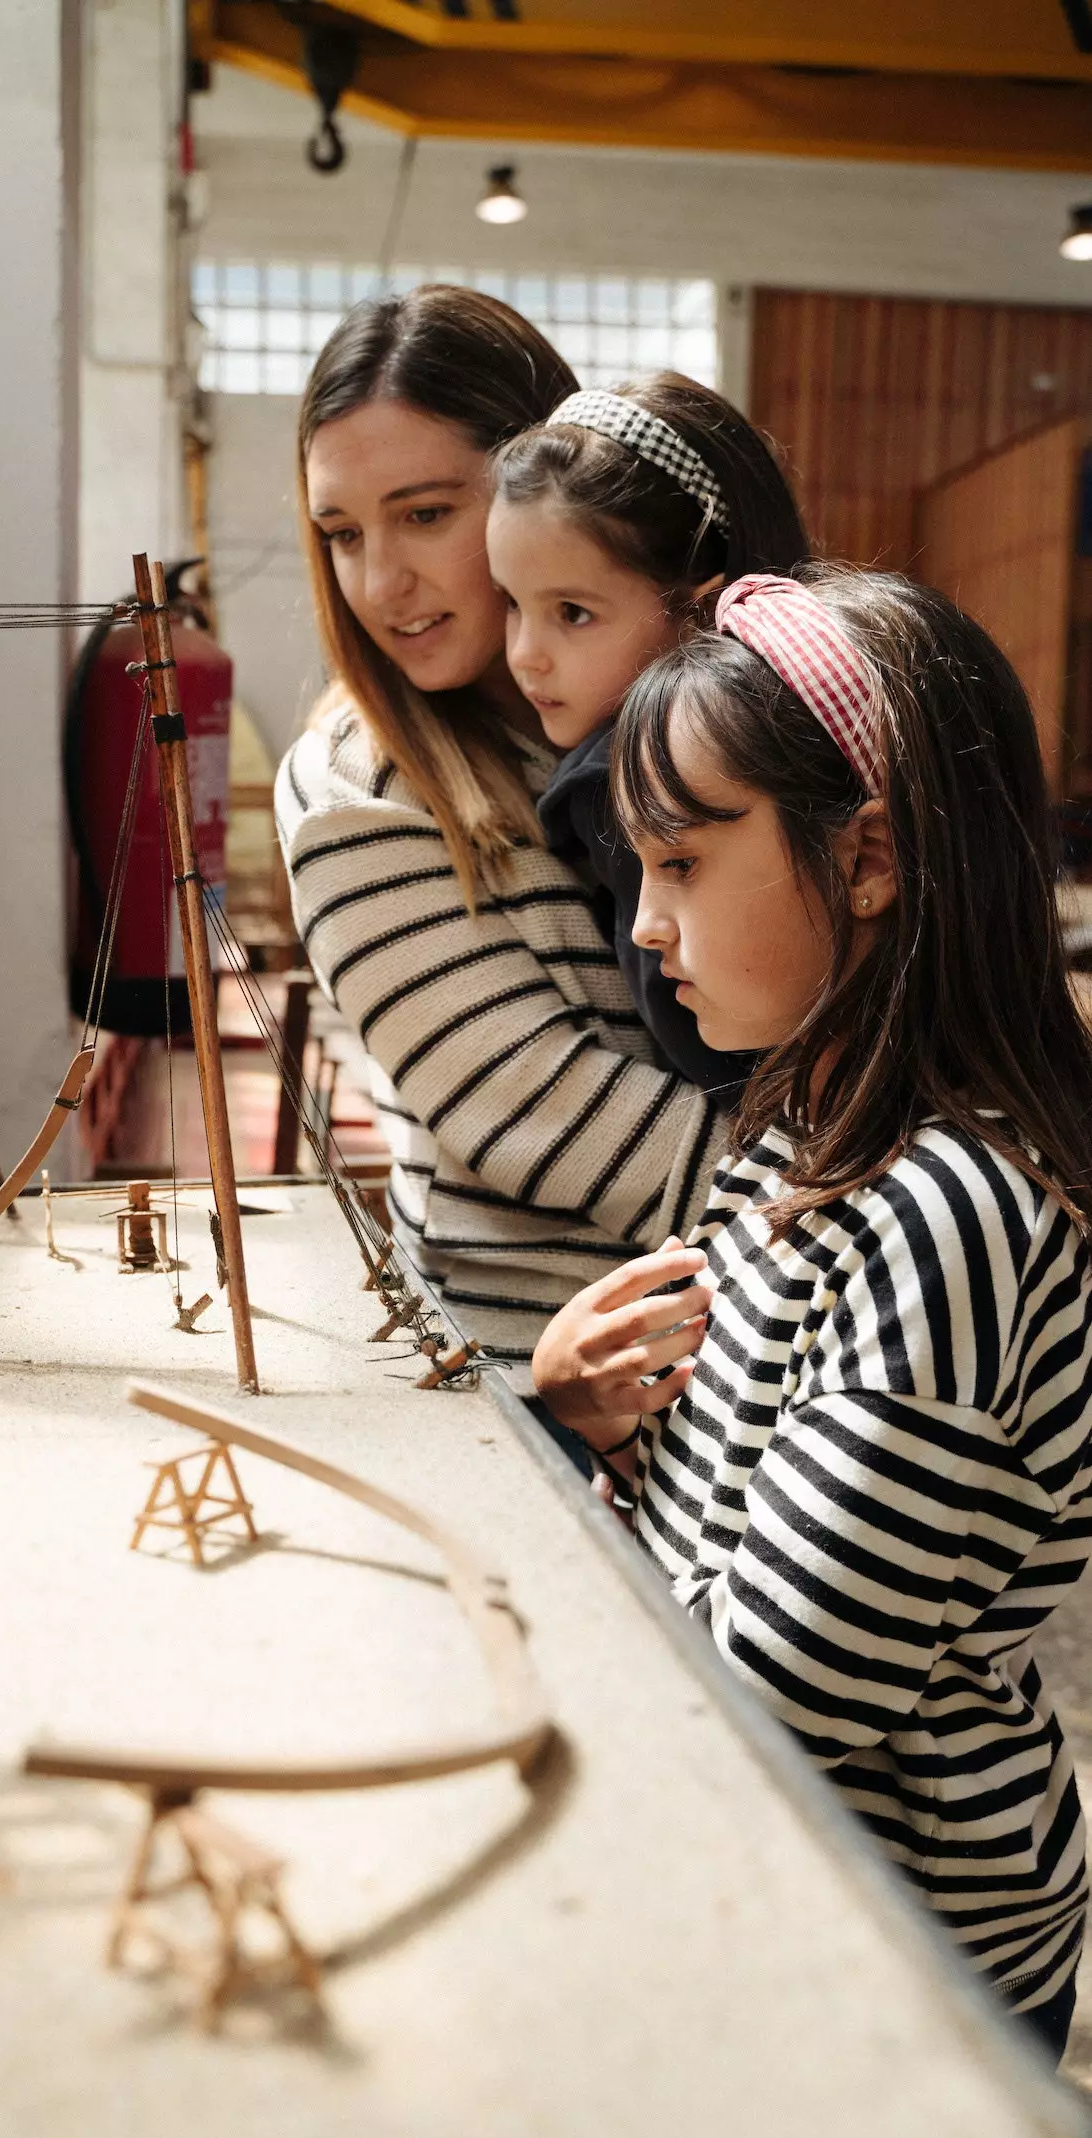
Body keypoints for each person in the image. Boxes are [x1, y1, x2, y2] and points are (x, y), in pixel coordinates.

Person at [532, 566, 1092, 2059]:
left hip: (892, 1946)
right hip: (759, 1880)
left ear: (866, 863)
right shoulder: (794, 1133)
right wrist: (576, 1420)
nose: (642, 928)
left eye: (682, 865)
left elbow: (772, 1691)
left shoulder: (948, 1218)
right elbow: (678, 1512)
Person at [279, 287, 726, 1369]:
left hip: (762, 1337)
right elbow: (544, 1117)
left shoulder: (672, 719)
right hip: (547, 1380)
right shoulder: (354, 786)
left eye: (426, 514)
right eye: (342, 534)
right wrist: (887, 1218)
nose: (381, 584)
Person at [488, 374, 808, 1104]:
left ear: (696, 615)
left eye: (571, 612)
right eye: (510, 603)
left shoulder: (622, 784)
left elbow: (716, 1063)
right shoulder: (810, 728)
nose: (523, 654)